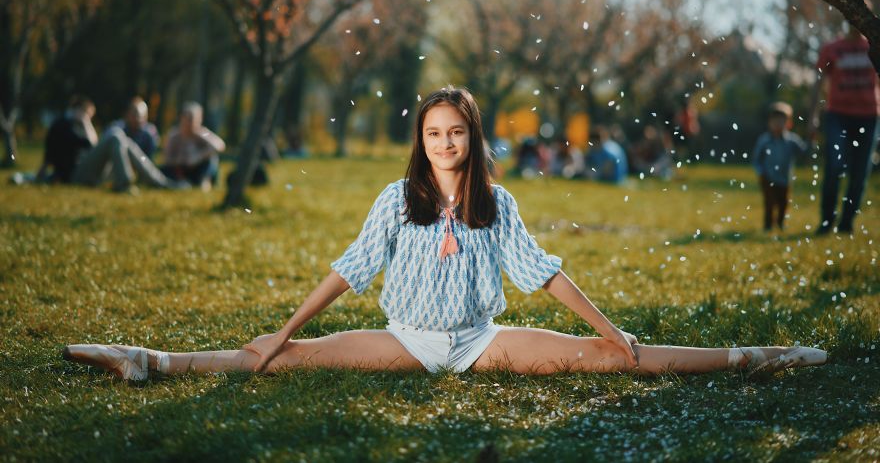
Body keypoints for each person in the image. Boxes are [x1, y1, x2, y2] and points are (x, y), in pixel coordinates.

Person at [63, 86, 826, 381]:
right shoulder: (396, 198)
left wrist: (607, 324)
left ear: (473, 136)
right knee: (275, 360)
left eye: (456, 131)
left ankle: (753, 355)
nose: (445, 142)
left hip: (481, 339)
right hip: (407, 338)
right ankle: (148, 360)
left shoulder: (500, 201)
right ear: (421, 139)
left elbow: (545, 273)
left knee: (612, 357)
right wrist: (279, 328)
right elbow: (348, 271)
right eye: (433, 131)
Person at [810, 9, 879, 235]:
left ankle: (847, 223)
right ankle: (827, 221)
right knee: (834, 167)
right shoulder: (832, 48)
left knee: (860, 172)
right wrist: (812, 115)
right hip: (837, 114)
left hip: (869, 116)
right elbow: (818, 83)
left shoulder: (875, 46)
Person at [36, 96, 182, 192]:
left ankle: (161, 182)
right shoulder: (60, 125)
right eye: (87, 114)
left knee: (123, 140)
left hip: (97, 174)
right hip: (75, 175)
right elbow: (52, 152)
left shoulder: (148, 132)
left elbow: (93, 146)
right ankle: (124, 183)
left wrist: (85, 123)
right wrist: (41, 174)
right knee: (116, 135)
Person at [752, 102, 810, 232]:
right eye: (775, 120)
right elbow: (756, 159)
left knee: (783, 202)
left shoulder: (792, 141)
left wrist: (810, 140)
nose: (778, 124)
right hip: (768, 178)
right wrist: (761, 172)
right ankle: (767, 225)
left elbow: (804, 152)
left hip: (785, 178)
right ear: (769, 122)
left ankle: (780, 223)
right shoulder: (764, 140)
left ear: (789, 123)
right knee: (769, 202)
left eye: (781, 121)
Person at [161, 102, 226, 190]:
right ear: (181, 118)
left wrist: (198, 156)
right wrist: (182, 160)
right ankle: (180, 182)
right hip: (180, 169)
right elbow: (167, 159)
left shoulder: (203, 133)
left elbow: (220, 145)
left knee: (212, 159)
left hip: (198, 169)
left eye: (192, 119)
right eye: (186, 118)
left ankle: (204, 181)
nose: (189, 123)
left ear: (200, 119)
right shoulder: (174, 135)